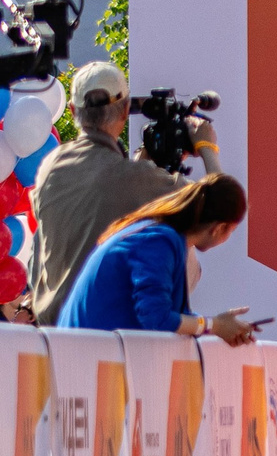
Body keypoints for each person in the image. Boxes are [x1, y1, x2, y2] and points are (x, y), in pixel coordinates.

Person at [31, 60, 222, 327]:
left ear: (74, 110)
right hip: (107, 346)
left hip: (51, 340)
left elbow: (103, 187)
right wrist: (206, 146)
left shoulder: (50, 167)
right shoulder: (135, 179)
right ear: (124, 110)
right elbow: (217, 213)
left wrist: (143, 161)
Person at [59, 173, 256, 341]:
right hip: (84, 359)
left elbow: (165, 317)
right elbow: (156, 318)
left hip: (86, 353)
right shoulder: (159, 241)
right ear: (219, 228)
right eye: (231, 231)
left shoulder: (158, 234)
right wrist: (214, 325)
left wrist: (217, 326)